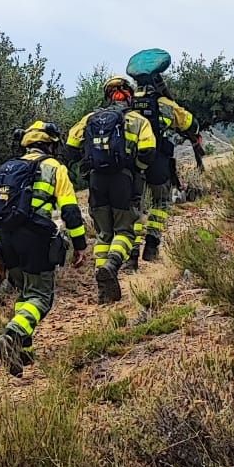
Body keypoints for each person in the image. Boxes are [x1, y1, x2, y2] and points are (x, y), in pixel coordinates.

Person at [0, 121, 87, 375]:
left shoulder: (7, 169)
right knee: (41, 296)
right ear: (50, 144)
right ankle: (11, 336)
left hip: (6, 239)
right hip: (35, 238)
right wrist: (80, 244)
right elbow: (70, 210)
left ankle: (24, 353)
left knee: (25, 293)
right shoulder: (54, 167)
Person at [67, 76, 156, 302]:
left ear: (108, 96)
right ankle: (112, 265)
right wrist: (137, 169)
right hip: (124, 180)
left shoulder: (90, 119)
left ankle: (103, 287)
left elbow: (70, 145)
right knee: (125, 231)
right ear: (129, 96)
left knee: (103, 234)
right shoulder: (137, 120)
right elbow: (148, 150)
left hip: (97, 181)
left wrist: (87, 164)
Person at [132, 75, 203, 262]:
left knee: (135, 206)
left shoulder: (129, 103)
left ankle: (132, 254)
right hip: (158, 161)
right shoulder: (164, 103)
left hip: (134, 163)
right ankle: (151, 246)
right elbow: (191, 123)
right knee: (161, 202)